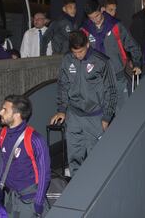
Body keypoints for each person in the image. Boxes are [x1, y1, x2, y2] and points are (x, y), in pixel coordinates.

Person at [50, 30, 117, 176]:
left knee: (97, 159)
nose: (78, 55)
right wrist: (61, 109)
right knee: (74, 157)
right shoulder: (67, 60)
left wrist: (107, 117)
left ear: (88, 44)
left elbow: (111, 91)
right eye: (75, 52)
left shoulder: (101, 61)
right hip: (74, 116)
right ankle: (76, 188)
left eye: (80, 51)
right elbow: (63, 85)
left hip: (95, 116)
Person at [81, 0, 141, 112]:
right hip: (96, 79)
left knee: (122, 113)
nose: (95, 20)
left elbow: (132, 45)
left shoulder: (115, 26)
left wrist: (137, 63)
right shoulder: (85, 30)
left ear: (102, 10)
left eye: (97, 16)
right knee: (100, 115)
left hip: (117, 76)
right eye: (91, 18)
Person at [0, 95, 51, 217]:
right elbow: (4, 162)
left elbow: (44, 174)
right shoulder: (2, 134)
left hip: (30, 201)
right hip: (11, 199)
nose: (0, 112)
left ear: (17, 114)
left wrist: (38, 203)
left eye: (5, 109)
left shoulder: (35, 139)